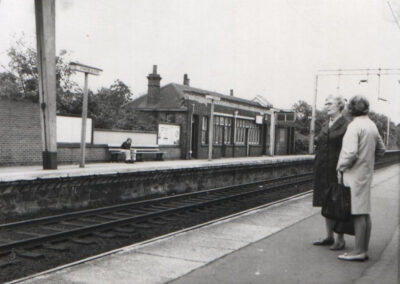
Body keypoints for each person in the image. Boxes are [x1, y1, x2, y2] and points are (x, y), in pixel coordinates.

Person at [336, 95, 385, 261]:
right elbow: (381, 150)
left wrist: (340, 167)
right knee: (364, 212)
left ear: (351, 109)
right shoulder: (372, 125)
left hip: (354, 174)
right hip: (366, 173)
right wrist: (368, 161)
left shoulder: (354, 126)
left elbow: (350, 153)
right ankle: (363, 249)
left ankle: (358, 251)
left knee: (357, 212)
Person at [312, 94, 349, 250]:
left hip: (336, 169)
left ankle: (340, 239)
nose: (326, 106)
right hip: (322, 168)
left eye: (330, 103)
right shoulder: (325, 124)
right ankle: (329, 236)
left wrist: (343, 169)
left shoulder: (346, 125)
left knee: (337, 203)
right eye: (325, 103)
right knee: (326, 201)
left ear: (340, 106)